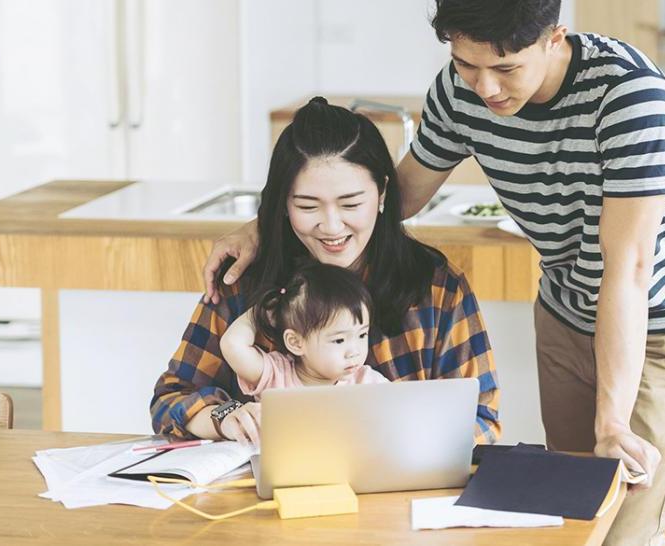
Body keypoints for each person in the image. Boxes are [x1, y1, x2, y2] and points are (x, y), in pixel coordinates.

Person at [203, 2, 665, 542]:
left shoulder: (630, 96)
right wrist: (270, 225)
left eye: (505, 69)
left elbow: (628, 270)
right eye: (467, 63)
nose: (486, 88)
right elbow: (394, 196)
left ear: (554, 38)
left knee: (626, 527)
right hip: (566, 309)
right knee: (575, 518)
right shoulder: (461, 90)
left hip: (660, 317)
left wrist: (612, 421)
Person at [153, 97, 500, 448]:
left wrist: (404, 444)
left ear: (381, 192)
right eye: (307, 206)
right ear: (284, 204)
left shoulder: (436, 286)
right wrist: (223, 417)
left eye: (351, 204)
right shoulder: (244, 280)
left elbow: (481, 420)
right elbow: (170, 401)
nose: (332, 227)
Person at [220, 263, 389, 402]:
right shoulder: (276, 375)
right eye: (339, 340)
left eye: (362, 335)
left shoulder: (367, 383)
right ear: (295, 342)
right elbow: (232, 345)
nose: (355, 352)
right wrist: (262, 310)